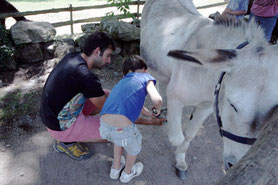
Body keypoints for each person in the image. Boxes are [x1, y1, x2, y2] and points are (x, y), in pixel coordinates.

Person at [99, 55, 163, 183]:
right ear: (145, 70)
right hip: (123, 128)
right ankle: (128, 173)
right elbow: (157, 99)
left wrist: (150, 114)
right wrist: (158, 109)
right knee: (133, 148)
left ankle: (115, 169)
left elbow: (138, 106)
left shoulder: (123, 81)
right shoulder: (146, 77)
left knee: (118, 142)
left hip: (104, 125)